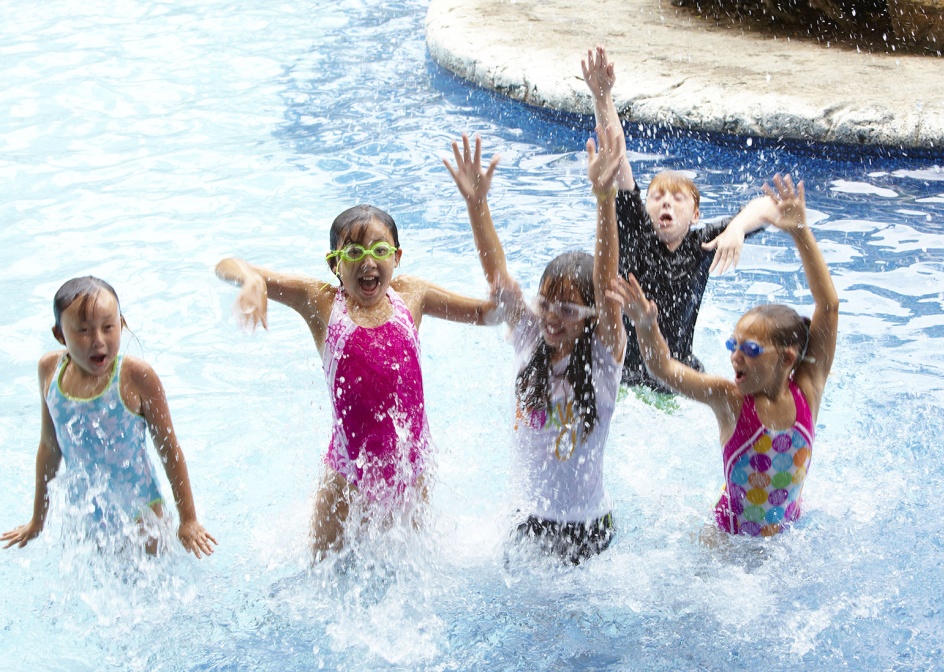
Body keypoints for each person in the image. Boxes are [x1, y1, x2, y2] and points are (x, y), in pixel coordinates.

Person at [215, 205, 496, 560]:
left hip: (412, 477)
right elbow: (224, 265)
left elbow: (488, 314)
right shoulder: (320, 302)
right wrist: (253, 279)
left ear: (397, 257)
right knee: (321, 580)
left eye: (380, 250)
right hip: (347, 484)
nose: (368, 262)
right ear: (334, 264)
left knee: (412, 575)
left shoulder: (413, 294)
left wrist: (477, 207)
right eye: (353, 252)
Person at [607, 175, 838, 538]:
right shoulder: (729, 399)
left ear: (788, 358)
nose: (735, 359)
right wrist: (644, 324)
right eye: (734, 346)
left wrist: (800, 233)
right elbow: (662, 368)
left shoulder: (808, 390)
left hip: (785, 537)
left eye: (750, 350)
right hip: (726, 542)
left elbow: (829, 305)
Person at [444, 128, 627, 564]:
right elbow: (497, 274)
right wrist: (477, 205)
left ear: (592, 318)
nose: (551, 317)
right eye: (546, 303)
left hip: (586, 527)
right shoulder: (529, 338)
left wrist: (605, 200)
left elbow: (606, 282)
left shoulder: (604, 356)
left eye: (567, 309)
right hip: (525, 520)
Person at [582, 46, 783, 393]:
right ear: (645, 207)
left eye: (678, 199)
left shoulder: (703, 242)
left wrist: (736, 228)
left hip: (676, 377)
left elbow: (772, 206)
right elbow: (618, 158)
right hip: (625, 377)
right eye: (657, 197)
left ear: (695, 214)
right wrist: (603, 97)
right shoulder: (636, 231)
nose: (666, 205)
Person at [2, 277, 217, 558]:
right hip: (87, 521)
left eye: (108, 327)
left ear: (122, 324)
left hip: (143, 521)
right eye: (83, 330)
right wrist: (37, 521)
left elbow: (169, 448)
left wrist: (188, 519)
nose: (98, 341)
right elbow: (49, 447)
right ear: (59, 335)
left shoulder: (136, 377)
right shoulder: (49, 370)